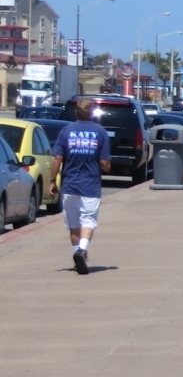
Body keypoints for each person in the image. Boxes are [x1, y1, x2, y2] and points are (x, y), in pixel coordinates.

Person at [50, 97, 112, 276]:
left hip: (69, 185)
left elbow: (58, 159)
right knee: (88, 222)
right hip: (90, 186)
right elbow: (104, 162)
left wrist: (52, 180)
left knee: (74, 225)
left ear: (76, 112)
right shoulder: (100, 132)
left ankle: (77, 257)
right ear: (92, 113)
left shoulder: (66, 131)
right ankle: (82, 250)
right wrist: (107, 167)